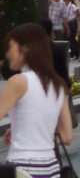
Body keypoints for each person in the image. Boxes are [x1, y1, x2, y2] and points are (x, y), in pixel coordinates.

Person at [0, 23, 74, 178]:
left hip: (23, 166)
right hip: (51, 167)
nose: (7, 54)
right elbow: (67, 136)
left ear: (25, 48)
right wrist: (27, 132)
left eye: (10, 47)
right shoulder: (58, 84)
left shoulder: (18, 82)